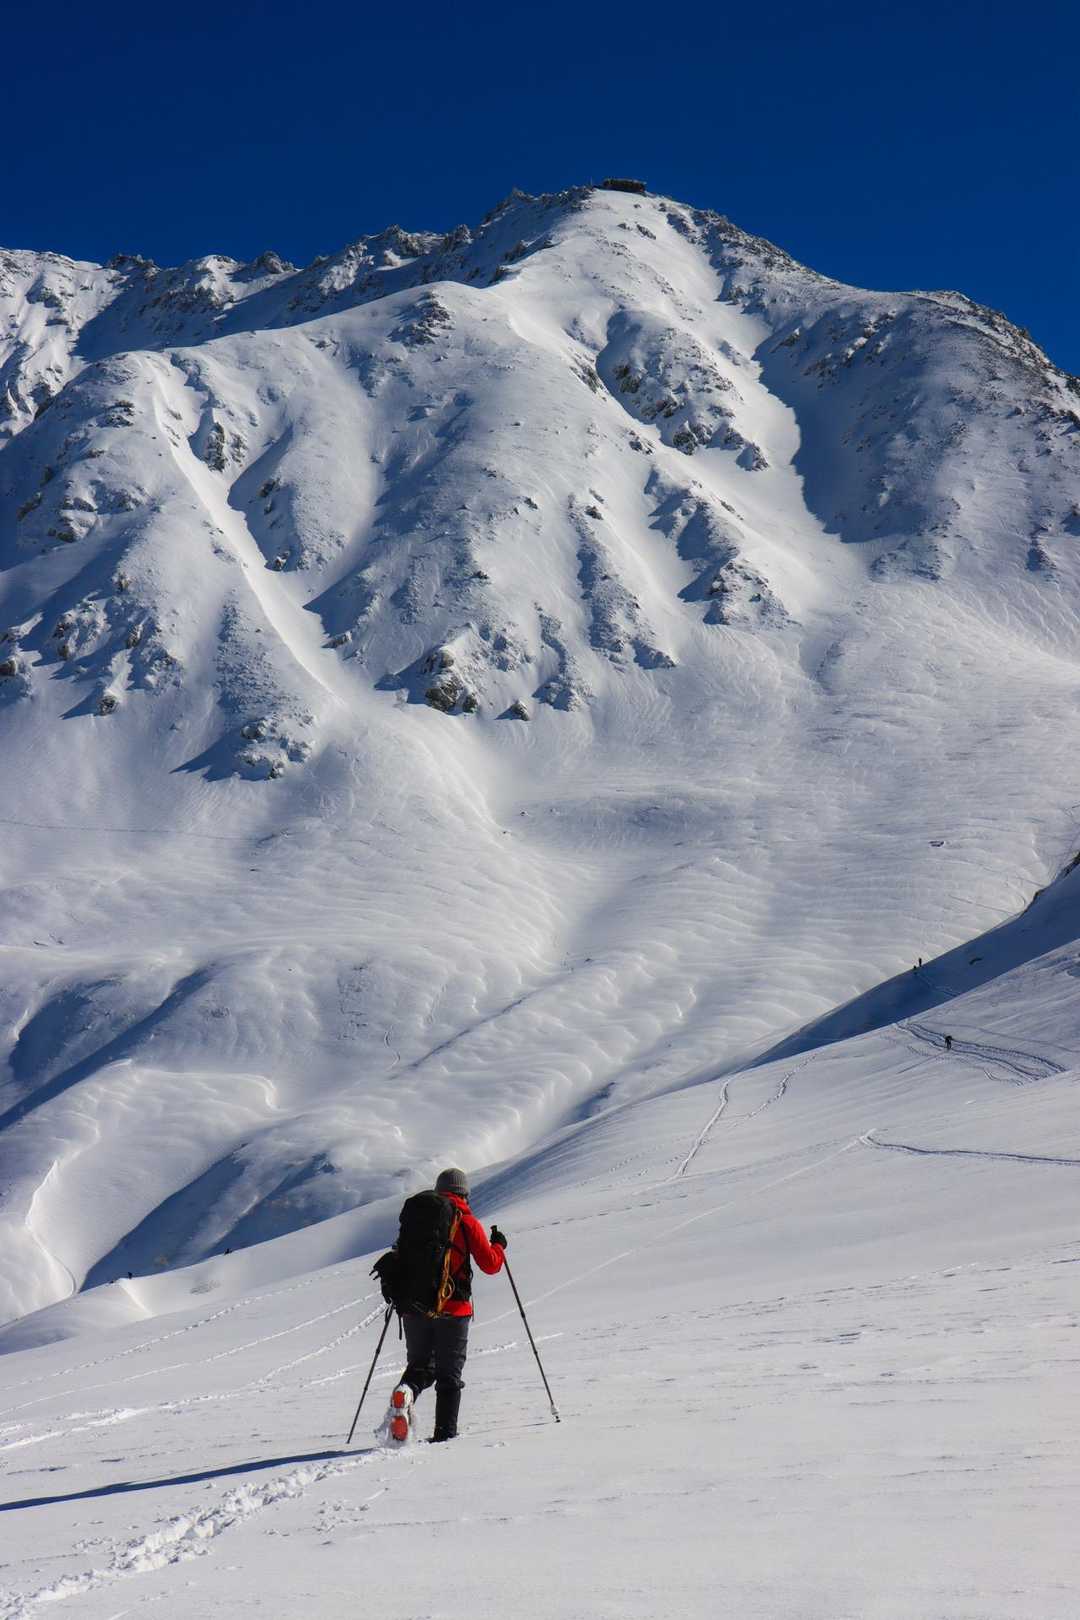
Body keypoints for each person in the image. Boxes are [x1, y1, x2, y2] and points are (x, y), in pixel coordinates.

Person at [388, 1167, 506, 1443]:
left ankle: (406, 1391)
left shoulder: (418, 1218)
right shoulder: (466, 1220)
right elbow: (490, 1264)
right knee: (449, 1375)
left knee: (420, 1366)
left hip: (414, 1307)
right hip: (453, 1308)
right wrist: (499, 1246)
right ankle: (444, 1436)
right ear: (464, 1193)